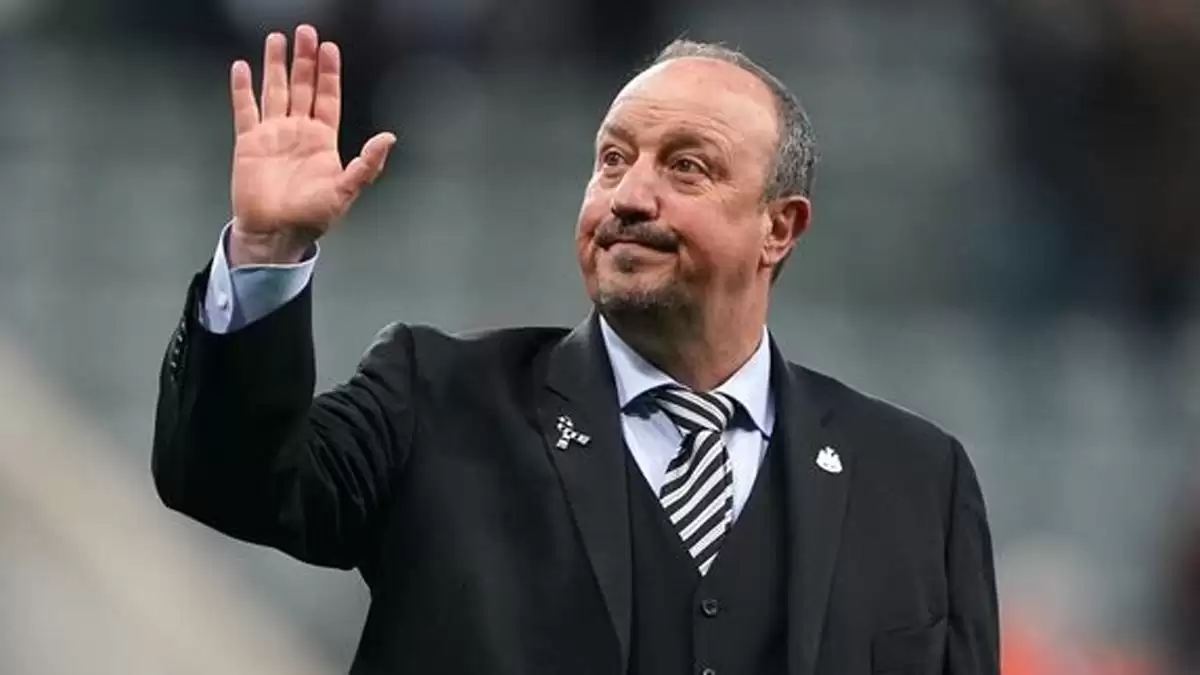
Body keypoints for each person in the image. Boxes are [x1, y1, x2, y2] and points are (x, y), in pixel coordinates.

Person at [152, 24, 1000, 675]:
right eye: (613, 160)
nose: (630, 195)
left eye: (687, 167)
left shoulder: (920, 482)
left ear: (779, 227)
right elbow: (228, 479)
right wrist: (265, 254)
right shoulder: (435, 397)